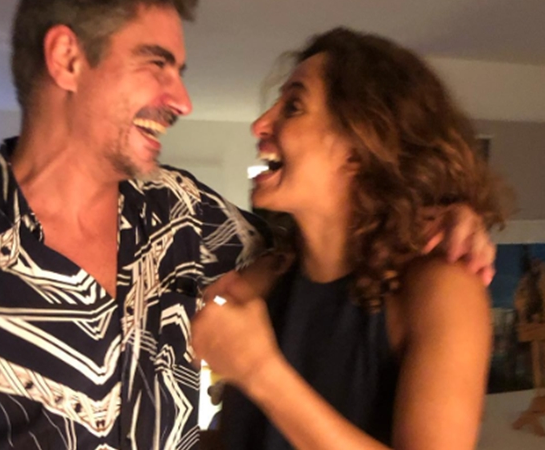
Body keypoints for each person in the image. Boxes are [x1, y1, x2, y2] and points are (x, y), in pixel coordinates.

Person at [0, 0, 493, 449]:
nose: (182, 100)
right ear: (67, 59)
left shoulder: (184, 217)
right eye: (157, 64)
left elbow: (336, 239)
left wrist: (449, 211)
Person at [191, 28, 507, 450]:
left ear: (358, 148)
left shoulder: (442, 289)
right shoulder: (262, 279)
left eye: (294, 107)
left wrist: (261, 373)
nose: (260, 125)